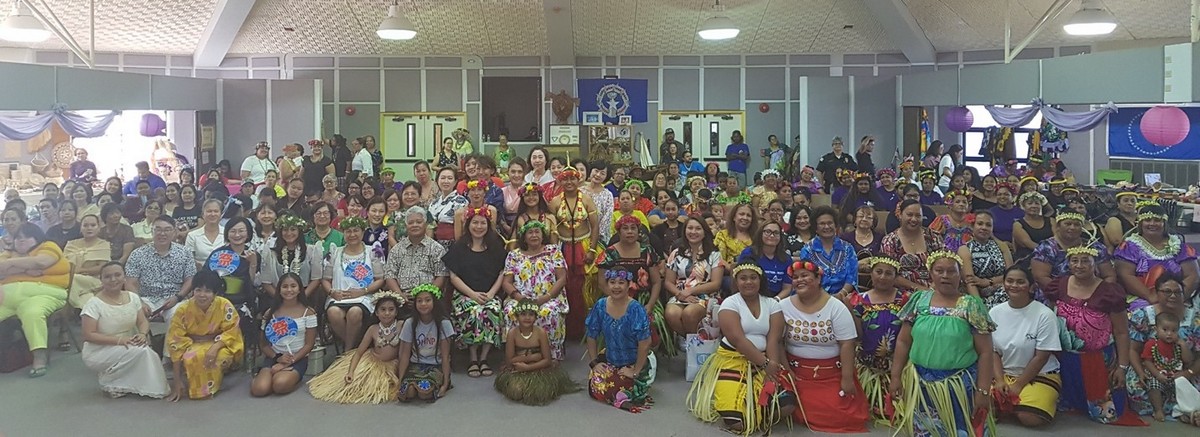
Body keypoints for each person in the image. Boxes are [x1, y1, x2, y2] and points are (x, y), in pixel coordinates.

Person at [888, 250, 997, 437]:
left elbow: (986, 352)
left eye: (951, 271)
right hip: (920, 385)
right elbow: (903, 341)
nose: (945, 276)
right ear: (931, 273)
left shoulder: (970, 306)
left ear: (960, 275)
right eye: (939, 270)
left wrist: (983, 391)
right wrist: (896, 377)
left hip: (960, 386)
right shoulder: (918, 302)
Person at [1043, 246, 1143, 425]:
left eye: (1085, 261)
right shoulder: (1058, 285)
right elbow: (1048, 318)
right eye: (1075, 261)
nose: (1079, 265)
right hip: (1064, 358)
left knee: (1109, 414)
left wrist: (1122, 366)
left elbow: (1121, 332)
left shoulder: (1110, 292)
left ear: (1094, 264)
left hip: (1098, 360)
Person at [687, 262, 789, 435]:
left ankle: (758, 411)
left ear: (760, 280)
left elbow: (774, 340)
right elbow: (738, 340)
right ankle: (747, 411)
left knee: (787, 404)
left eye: (753, 278)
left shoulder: (772, 304)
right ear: (736, 282)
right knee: (736, 421)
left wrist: (772, 368)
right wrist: (764, 363)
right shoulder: (729, 304)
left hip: (765, 359)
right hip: (733, 359)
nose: (748, 282)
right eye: (743, 278)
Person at [781, 261, 870, 432]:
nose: (799, 280)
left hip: (831, 375)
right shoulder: (783, 306)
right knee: (795, 408)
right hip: (796, 374)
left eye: (805, 276)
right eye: (795, 277)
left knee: (843, 415)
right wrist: (787, 371)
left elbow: (847, 344)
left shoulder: (836, 307)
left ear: (818, 278)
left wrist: (847, 378)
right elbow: (777, 341)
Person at [81, 261, 170, 398]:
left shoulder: (133, 297)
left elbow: (142, 322)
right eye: (107, 276)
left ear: (124, 278)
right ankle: (109, 380)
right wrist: (120, 340)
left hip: (129, 342)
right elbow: (88, 335)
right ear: (101, 280)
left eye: (117, 275)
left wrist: (142, 333)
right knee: (142, 352)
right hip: (99, 349)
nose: (113, 280)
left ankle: (124, 384)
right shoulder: (93, 304)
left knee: (145, 351)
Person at [989, 266, 1062, 427]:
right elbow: (993, 352)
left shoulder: (1045, 315)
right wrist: (1000, 381)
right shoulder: (995, 312)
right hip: (1005, 373)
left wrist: (1018, 386)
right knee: (979, 405)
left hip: (1040, 374)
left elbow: (1041, 357)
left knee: (1030, 418)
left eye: (1020, 282)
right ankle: (1012, 404)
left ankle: (1022, 404)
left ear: (1031, 287)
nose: (1014, 285)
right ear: (1004, 284)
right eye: (1010, 281)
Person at [1126, 273, 1200, 419]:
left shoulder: (1195, 319)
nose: (1173, 296)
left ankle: (1185, 412)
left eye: (1177, 292)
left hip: (1185, 369)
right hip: (1151, 368)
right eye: (1167, 291)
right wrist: (1141, 373)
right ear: (1156, 292)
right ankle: (1179, 411)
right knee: (1138, 390)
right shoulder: (1142, 315)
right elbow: (1133, 350)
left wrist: (1188, 373)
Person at [0, 223, 70, 377]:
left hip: (45, 293)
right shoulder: (9, 252)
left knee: (32, 313)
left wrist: (10, 265)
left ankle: (39, 357)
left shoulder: (48, 246)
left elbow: (41, 262)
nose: (21, 241)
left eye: (27, 237)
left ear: (37, 237)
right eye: (18, 237)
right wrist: (26, 269)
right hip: (6, 298)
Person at [308, 291, 403, 404]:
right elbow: (359, 352)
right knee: (356, 386)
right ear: (376, 312)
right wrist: (351, 372)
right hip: (373, 362)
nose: (387, 313)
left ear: (397, 312)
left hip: (392, 365)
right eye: (383, 309)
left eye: (391, 309)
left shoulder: (401, 325)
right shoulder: (373, 329)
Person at [444, 207, 506, 378]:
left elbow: (503, 272)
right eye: (475, 223)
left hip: (489, 294)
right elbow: (454, 276)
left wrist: (492, 293)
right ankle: (472, 358)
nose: (479, 227)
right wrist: (471, 294)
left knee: (491, 309)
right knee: (473, 311)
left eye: (482, 223)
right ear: (468, 225)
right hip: (465, 295)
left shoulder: (495, 246)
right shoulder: (459, 247)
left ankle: (484, 358)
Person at [165, 270, 244, 401]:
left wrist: (215, 347)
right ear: (192, 291)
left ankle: (211, 385)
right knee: (192, 357)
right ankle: (197, 387)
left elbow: (232, 331)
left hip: (219, 343)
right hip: (193, 343)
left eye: (207, 291)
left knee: (218, 357)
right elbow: (175, 342)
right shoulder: (183, 309)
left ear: (215, 293)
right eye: (198, 290)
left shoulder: (224, 305)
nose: (202, 295)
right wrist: (177, 382)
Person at [848, 256, 910, 422]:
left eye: (888, 273)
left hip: (897, 368)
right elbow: (858, 335)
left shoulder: (905, 300)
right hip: (868, 369)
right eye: (879, 272)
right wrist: (848, 310)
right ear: (871, 273)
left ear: (896, 277)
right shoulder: (859, 300)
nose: (882, 277)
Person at [586, 267, 655, 413]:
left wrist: (635, 371)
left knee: (627, 390)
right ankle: (617, 394)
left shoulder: (636, 309)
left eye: (621, 282)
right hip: (611, 360)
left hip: (635, 363)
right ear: (607, 284)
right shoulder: (600, 305)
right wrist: (594, 362)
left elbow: (645, 343)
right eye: (612, 282)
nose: (616, 287)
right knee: (596, 384)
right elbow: (591, 334)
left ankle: (626, 391)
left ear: (629, 284)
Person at [502, 220, 568, 361]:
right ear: (524, 236)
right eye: (530, 232)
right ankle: (518, 356)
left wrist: (546, 297)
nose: (534, 235)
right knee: (511, 311)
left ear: (543, 234)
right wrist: (520, 298)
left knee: (547, 312)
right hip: (521, 299)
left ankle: (550, 357)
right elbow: (506, 282)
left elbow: (562, 278)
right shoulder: (514, 255)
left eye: (537, 232)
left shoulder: (553, 251)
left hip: (549, 298)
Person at [493, 299, 580, 405]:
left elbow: (547, 360)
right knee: (516, 391)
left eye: (531, 314)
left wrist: (528, 367)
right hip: (518, 370)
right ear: (516, 316)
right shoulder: (512, 334)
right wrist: (532, 357)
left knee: (540, 392)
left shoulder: (540, 333)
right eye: (523, 314)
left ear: (536, 317)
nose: (527, 318)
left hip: (538, 369)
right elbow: (510, 361)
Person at [548, 166, 600, 340]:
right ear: (560, 181)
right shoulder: (555, 201)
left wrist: (592, 249)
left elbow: (595, 226)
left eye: (572, 179)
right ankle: (567, 329)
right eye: (565, 179)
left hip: (583, 246)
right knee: (566, 286)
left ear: (578, 180)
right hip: (563, 246)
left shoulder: (586, 199)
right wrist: (555, 253)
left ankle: (586, 329)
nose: (569, 182)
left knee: (584, 287)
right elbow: (552, 229)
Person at [1114, 202, 1199, 308]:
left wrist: (1178, 297)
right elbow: (1125, 275)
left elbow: (1192, 275)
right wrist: (1150, 296)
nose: (1152, 223)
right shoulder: (1129, 247)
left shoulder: (1180, 246)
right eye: (1147, 220)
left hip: (1178, 299)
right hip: (1142, 298)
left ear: (1164, 223)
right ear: (1140, 223)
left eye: (1157, 220)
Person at [251, 273, 317, 397]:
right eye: (285, 286)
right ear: (279, 290)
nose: (289, 290)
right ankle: (263, 375)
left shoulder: (309, 313)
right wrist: (277, 358)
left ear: (299, 289)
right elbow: (264, 344)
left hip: (297, 358)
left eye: (293, 286)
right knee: (259, 390)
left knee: (279, 385)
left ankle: (290, 378)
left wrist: (289, 361)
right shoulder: (270, 313)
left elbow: (309, 344)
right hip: (274, 357)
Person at [124, 215, 195, 323]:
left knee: (182, 314)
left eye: (167, 230)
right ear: (152, 231)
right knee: (132, 313)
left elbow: (190, 279)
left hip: (175, 299)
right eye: (158, 229)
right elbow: (130, 283)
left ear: (174, 232)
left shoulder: (185, 253)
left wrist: (177, 297)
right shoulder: (137, 254)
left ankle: (171, 340)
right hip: (146, 298)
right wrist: (140, 303)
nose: (162, 234)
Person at [663, 217, 723, 335]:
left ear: (704, 232)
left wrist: (690, 291)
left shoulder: (714, 254)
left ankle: (696, 343)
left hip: (705, 295)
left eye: (698, 229)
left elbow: (716, 284)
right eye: (690, 228)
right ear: (684, 231)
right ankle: (689, 341)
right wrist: (680, 294)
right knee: (671, 313)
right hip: (680, 294)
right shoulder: (676, 253)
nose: (693, 232)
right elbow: (668, 282)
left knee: (689, 313)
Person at [396, 284, 454, 403]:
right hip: (416, 365)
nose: (423, 304)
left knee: (424, 392)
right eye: (419, 301)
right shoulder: (409, 323)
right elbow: (405, 355)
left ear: (435, 302)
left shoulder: (444, 323)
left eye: (427, 300)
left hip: (435, 366)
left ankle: (436, 385)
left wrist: (445, 384)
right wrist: (400, 381)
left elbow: (445, 356)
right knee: (409, 391)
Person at [1031, 210, 1114, 290]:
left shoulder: (1096, 247)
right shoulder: (1046, 248)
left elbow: (1109, 276)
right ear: (1058, 227)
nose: (1072, 227)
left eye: (1077, 224)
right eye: (1068, 224)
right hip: (1055, 295)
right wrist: (1068, 295)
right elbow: (1041, 277)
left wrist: (1100, 293)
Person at [1140, 311, 1193, 421]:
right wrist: (1157, 374)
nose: (1169, 333)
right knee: (1154, 386)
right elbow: (1147, 362)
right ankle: (1158, 410)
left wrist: (1183, 345)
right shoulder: (1152, 344)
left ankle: (1180, 411)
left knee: (1183, 388)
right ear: (1156, 329)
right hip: (1158, 375)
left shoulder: (1177, 346)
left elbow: (1188, 360)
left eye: (1173, 331)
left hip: (1175, 376)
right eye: (1165, 330)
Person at [384, 206, 448, 297]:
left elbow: (441, 276)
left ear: (425, 224)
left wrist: (425, 297)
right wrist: (400, 295)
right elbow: (390, 276)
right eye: (410, 223)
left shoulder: (436, 249)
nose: (415, 225)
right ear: (406, 226)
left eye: (419, 222)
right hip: (402, 298)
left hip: (429, 300)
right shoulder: (396, 250)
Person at [258, 214, 323, 299]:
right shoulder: (271, 253)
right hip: (278, 297)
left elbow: (316, 279)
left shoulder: (311, 251)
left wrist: (302, 298)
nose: (289, 233)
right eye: (285, 230)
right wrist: (280, 300)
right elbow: (266, 282)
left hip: (304, 297)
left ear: (299, 231)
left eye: (293, 229)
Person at [798, 206, 858, 297]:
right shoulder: (807, 250)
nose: (827, 226)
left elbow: (852, 277)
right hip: (816, 297)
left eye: (830, 223)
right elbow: (808, 278)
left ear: (835, 225)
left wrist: (841, 294)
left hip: (844, 297)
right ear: (815, 227)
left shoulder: (848, 248)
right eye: (822, 223)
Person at [960, 211, 1013, 301]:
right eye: (980, 224)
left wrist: (988, 282)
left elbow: (1011, 275)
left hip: (1004, 290)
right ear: (972, 226)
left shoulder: (1002, 246)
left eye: (988, 225)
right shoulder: (965, 249)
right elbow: (970, 282)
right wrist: (979, 305)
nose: (984, 228)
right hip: (978, 295)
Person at [185, 199, 225, 268]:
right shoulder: (192, 235)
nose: (213, 214)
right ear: (203, 214)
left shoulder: (228, 233)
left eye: (216, 211)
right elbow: (188, 259)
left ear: (221, 214)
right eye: (209, 211)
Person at [584, 162, 615, 244]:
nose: (598, 175)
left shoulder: (608, 195)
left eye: (602, 173)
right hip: (580, 236)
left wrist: (595, 236)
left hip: (600, 239)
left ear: (606, 177)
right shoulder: (580, 191)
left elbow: (607, 218)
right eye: (596, 171)